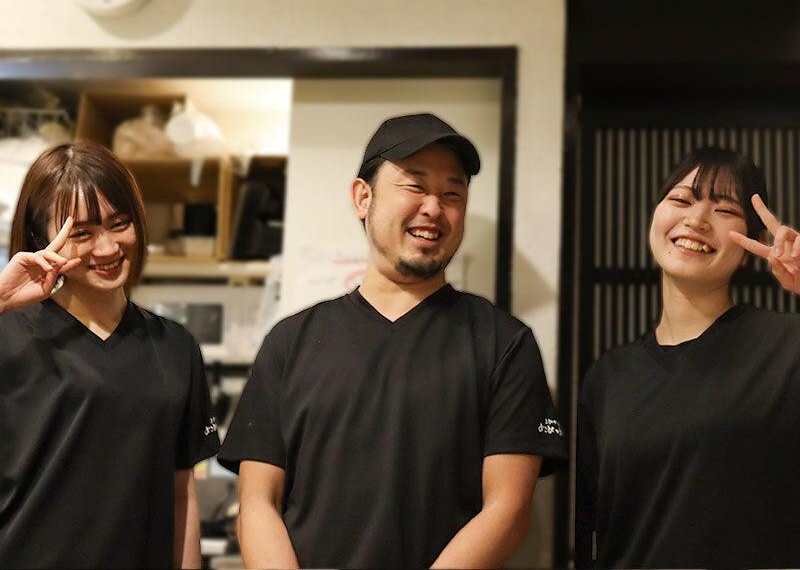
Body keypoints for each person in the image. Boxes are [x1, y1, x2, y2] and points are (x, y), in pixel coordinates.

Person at [218, 113, 567, 568]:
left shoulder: (504, 343)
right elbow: (258, 502)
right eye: (415, 185)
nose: (434, 207)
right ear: (363, 198)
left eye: (453, 193)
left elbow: (508, 510)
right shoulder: (291, 341)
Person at [575, 146, 800, 568]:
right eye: (681, 199)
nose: (696, 220)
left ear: (751, 244)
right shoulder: (608, 377)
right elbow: (591, 527)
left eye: (725, 210)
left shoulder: (787, 347)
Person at [0, 141, 220, 569]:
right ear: (41, 238)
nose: (107, 248)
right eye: (81, 233)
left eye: (119, 223)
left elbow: (181, 494)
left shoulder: (175, 347)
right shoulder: (9, 333)